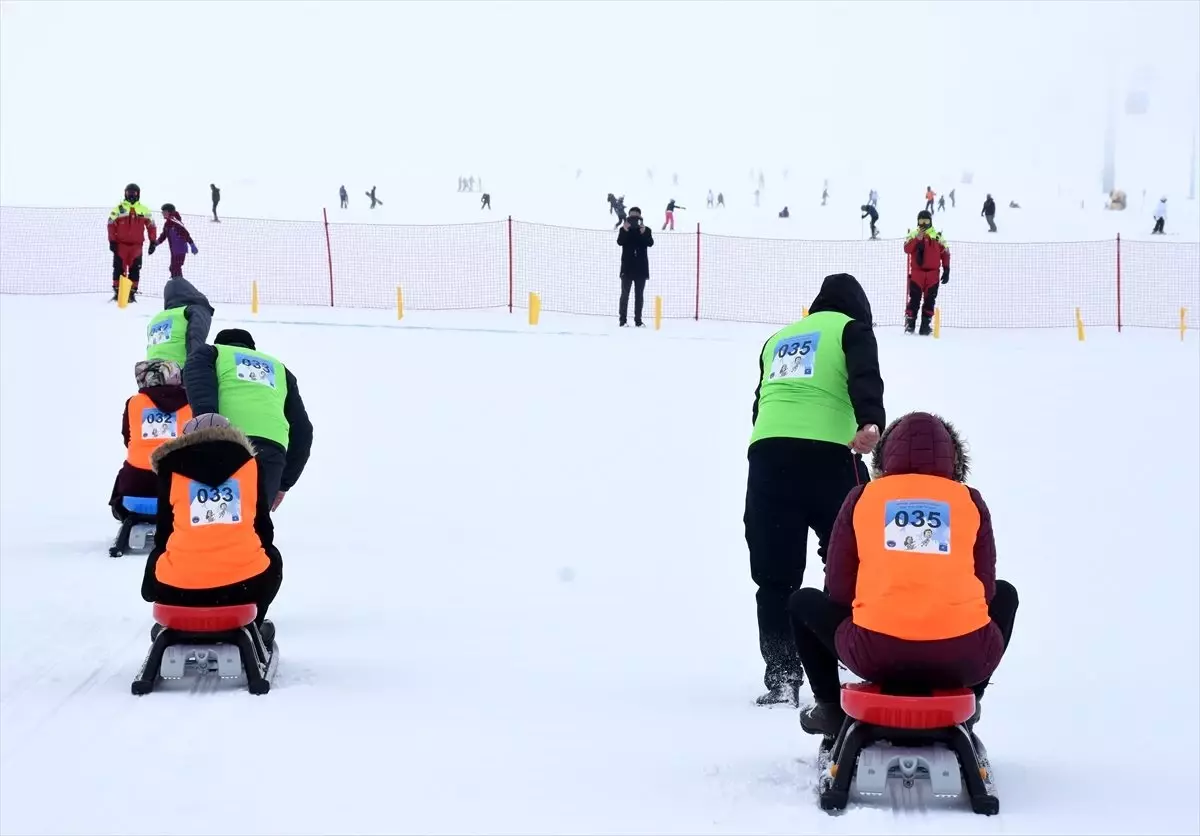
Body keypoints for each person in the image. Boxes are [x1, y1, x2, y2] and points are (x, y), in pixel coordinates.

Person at [788, 412, 1019, 736]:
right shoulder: (970, 500)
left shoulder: (863, 497)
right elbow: (986, 590)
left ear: (885, 457)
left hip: (875, 654)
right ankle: (970, 701)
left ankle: (829, 707)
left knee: (802, 602)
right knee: (1006, 593)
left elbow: (840, 590)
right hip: (962, 656)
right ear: (954, 460)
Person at [745, 273, 886, 706]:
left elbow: (759, 402)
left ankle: (783, 676)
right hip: (829, 455)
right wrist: (869, 423)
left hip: (768, 455)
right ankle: (840, 656)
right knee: (849, 558)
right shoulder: (851, 329)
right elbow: (864, 376)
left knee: (774, 575)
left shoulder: (778, 339)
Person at [141, 413, 283, 643]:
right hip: (243, 587)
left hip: (178, 590)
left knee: (159, 558)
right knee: (272, 559)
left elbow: (164, 535)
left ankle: (176, 623)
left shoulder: (171, 467)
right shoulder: (250, 464)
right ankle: (253, 625)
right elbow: (264, 529)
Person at [183, 328, 314, 510]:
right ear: (251, 349)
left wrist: (206, 422)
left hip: (226, 442)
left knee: (214, 520)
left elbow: (197, 377)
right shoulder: (280, 370)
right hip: (270, 453)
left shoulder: (213, 352)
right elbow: (303, 431)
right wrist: (283, 484)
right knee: (255, 526)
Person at [110, 360, 193, 520]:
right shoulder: (190, 404)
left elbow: (127, 438)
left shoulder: (133, 403)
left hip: (136, 488)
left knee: (124, 471)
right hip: (175, 490)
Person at [146, 276, 214, 367]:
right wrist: (196, 366)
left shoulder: (156, 319)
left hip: (153, 372)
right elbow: (195, 338)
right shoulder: (194, 310)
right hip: (180, 370)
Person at [902, 210, 950, 336]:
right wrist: (917, 239)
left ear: (930, 221)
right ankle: (910, 325)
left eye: (926, 221)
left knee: (930, 300)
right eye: (921, 221)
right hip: (917, 274)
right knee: (914, 299)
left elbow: (945, 252)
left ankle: (925, 326)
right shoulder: (913, 234)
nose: (923, 224)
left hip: (933, 275)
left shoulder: (937, 236)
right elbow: (907, 249)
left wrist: (946, 268)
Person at [108, 183, 157, 302]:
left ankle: (131, 293)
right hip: (121, 245)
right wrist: (112, 241)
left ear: (138, 194)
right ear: (125, 193)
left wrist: (153, 241)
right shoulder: (119, 208)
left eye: (133, 193)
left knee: (135, 269)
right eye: (128, 193)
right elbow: (110, 224)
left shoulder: (144, 210)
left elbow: (151, 225)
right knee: (119, 268)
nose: (131, 195)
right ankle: (119, 293)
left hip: (137, 246)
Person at [616, 207, 654, 328]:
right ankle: (622, 320)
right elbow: (620, 242)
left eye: (636, 217)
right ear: (628, 217)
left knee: (639, 296)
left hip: (641, 269)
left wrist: (643, 233)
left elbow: (650, 243)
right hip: (627, 268)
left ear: (640, 217)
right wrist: (625, 230)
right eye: (632, 217)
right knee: (624, 295)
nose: (634, 219)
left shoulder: (646, 230)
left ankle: (638, 321)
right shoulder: (624, 230)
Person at [154, 204, 198, 279]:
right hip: (174, 250)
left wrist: (192, 245)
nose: (163, 214)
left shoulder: (176, 222)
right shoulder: (168, 223)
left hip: (180, 250)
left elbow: (186, 234)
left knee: (175, 267)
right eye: (162, 212)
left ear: (170, 212)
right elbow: (164, 235)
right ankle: (177, 283)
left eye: (164, 212)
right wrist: (155, 243)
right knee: (174, 268)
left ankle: (178, 283)